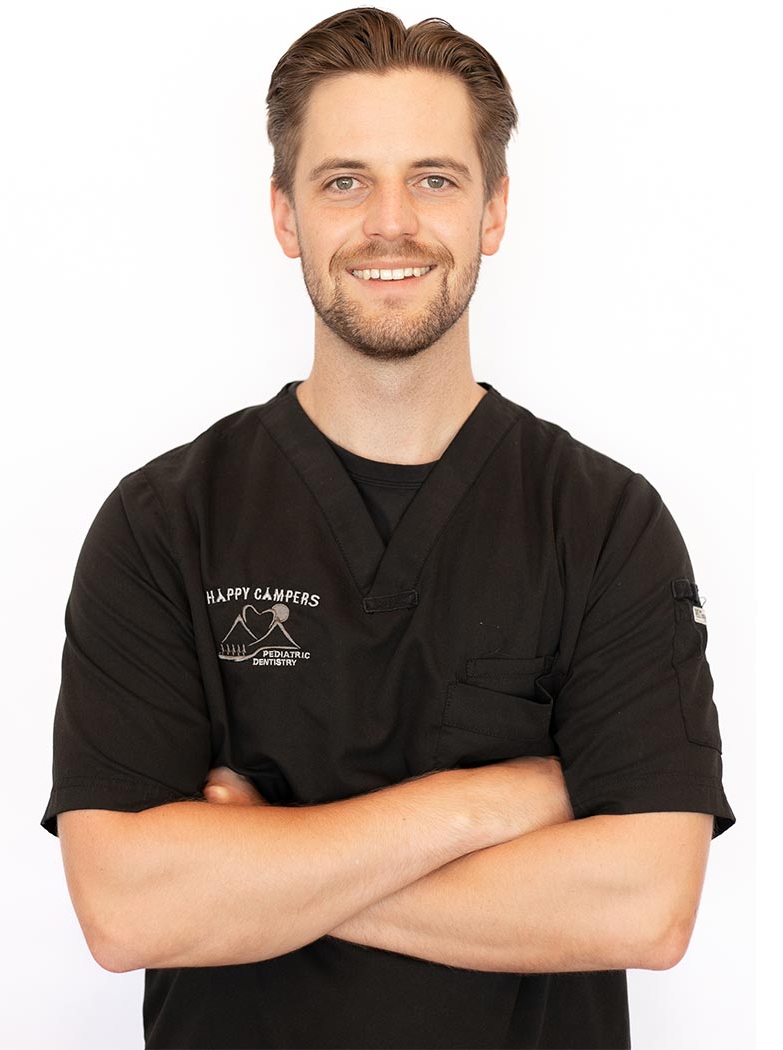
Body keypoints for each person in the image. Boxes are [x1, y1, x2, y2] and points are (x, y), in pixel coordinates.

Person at [41, 8, 736, 1049]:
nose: (390, 223)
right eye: (343, 182)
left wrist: (262, 873)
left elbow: (646, 907)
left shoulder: (604, 525)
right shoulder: (161, 526)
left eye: (434, 179)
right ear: (285, 216)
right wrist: (484, 807)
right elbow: (128, 909)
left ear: (493, 211)